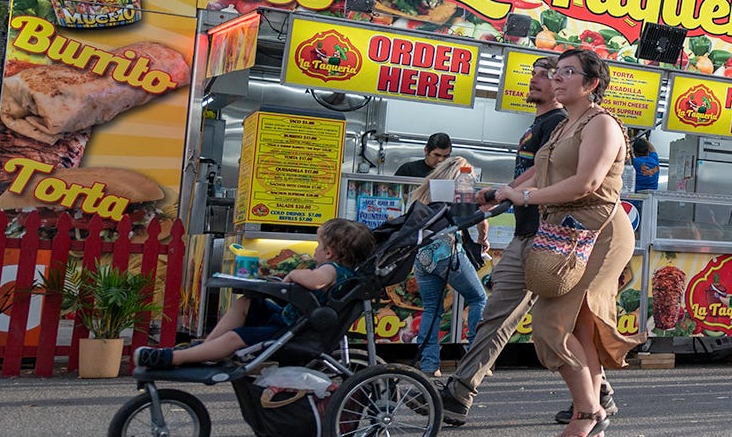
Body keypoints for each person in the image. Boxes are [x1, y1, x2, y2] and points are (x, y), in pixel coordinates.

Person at [488, 46, 637, 437]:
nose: (556, 77)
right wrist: (500, 194)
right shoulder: (563, 126)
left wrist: (525, 197)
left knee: (551, 324)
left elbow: (586, 183)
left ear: (591, 85)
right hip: (568, 230)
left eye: (567, 72)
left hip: (600, 232)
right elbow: (542, 167)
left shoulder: (602, 124)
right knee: (577, 328)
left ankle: (589, 414)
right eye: (556, 70)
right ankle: (588, 417)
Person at [445, 58, 597, 427]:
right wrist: (500, 194)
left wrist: (512, 195)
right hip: (526, 232)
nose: (542, 81)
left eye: (551, 76)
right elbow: (532, 174)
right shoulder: (541, 126)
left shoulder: (565, 125)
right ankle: (459, 393)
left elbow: (560, 177)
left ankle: (594, 402)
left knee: (555, 327)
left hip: (553, 236)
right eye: (540, 75)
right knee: (501, 314)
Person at [137, 219, 376, 367]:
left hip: (292, 330)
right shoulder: (342, 271)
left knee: (236, 337)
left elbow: (315, 282)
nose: (315, 249)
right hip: (290, 318)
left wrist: (293, 274)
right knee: (246, 302)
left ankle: (176, 358)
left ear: (330, 252)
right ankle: (205, 349)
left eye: (319, 245)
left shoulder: (330, 270)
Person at [406, 156, 486, 377]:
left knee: (432, 308)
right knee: (478, 298)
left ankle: (430, 365)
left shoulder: (425, 191)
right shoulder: (462, 184)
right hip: (446, 253)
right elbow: (476, 219)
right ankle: (474, 359)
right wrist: (482, 238)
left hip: (421, 257)